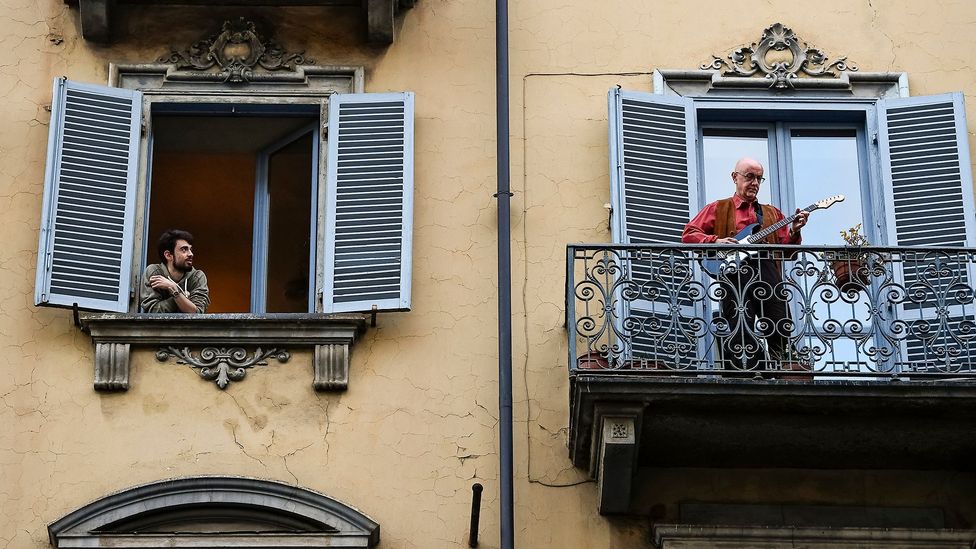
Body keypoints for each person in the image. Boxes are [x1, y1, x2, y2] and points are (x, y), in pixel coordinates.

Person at [682, 157, 809, 371]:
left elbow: (788, 252)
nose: (755, 183)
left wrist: (795, 230)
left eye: (759, 178)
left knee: (778, 316)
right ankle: (747, 370)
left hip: (766, 272)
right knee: (739, 321)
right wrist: (715, 241)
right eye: (749, 177)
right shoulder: (718, 208)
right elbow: (689, 234)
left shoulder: (771, 213)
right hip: (733, 272)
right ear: (735, 177)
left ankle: (783, 365)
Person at [141, 229, 210, 313]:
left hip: (188, 326)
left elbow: (197, 313)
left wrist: (174, 290)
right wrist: (182, 297)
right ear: (168, 255)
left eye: (190, 249)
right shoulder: (154, 272)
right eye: (184, 250)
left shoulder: (197, 277)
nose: (191, 254)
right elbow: (152, 311)